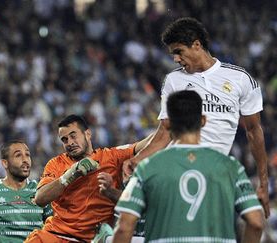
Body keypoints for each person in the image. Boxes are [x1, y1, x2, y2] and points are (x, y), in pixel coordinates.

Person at [126, 17, 269, 217]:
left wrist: (263, 183)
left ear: (196, 45)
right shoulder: (174, 80)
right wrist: (137, 159)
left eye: (178, 52)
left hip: (215, 173)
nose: (175, 59)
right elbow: (165, 130)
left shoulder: (240, 79)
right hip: (177, 170)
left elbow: (254, 131)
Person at [112, 90, 265, 242]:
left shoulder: (147, 168)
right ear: (203, 120)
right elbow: (256, 222)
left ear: (167, 123)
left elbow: (124, 227)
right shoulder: (230, 166)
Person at [24, 114, 149, 243]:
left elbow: (151, 143)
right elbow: (40, 199)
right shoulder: (56, 164)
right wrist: (71, 174)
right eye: (64, 140)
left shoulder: (111, 157)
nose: (70, 143)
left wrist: (167, 119)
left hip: (93, 239)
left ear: (88, 134)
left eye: (73, 136)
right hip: (56, 235)